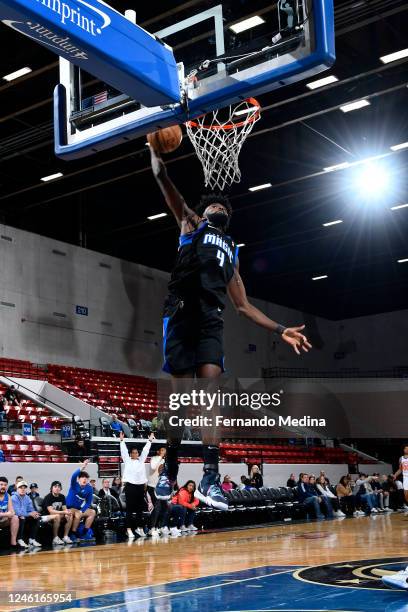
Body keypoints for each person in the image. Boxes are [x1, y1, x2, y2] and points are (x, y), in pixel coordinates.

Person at [150, 143, 312, 511]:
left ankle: (210, 475)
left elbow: (243, 305)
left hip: (210, 319)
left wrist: (280, 330)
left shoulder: (232, 251)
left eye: (224, 207)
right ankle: (169, 470)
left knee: (210, 398)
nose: (218, 208)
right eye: (214, 206)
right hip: (179, 314)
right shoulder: (191, 225)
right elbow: (163, 180)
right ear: (204, 212)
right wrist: (155, 153)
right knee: (178, 404)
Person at [120, 430, 155, 539]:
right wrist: (122, 441)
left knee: (140, 509)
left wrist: (149, 440)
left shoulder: (141, 460)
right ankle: (129, 529)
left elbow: (146, 450)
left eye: (136, 452)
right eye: (133, 453)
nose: (135, 454)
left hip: (140, 487)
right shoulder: (127, 460)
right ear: (131, 454)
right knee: (130, 510)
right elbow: (124, 451)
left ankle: (139, 528)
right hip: (130, 487)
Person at [66, 459, 96, 542]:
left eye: (86, 478)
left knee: (92, 512)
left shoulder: (89, 488)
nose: (84, 479)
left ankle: (84, 533)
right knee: (77, 514)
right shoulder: (74, 484)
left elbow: (88, 502)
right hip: (69, 508)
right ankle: (73, 534)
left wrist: (82, 511)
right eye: (82, 477)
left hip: (78, 509)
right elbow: (73, 475)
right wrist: (83, 467)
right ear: (78, 479)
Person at [11, 481, 42, 548]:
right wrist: (29, 514)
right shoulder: (13, 498)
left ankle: (32, 539)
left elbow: (31, 509)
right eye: (20, 488)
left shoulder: (27, 498)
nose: (23, 489)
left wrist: (34, 513)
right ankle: (19, 539)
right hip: (16, 517)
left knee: (36, 517)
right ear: (17, 489)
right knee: (21, 517)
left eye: (24, 488)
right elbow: (17, 512)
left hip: (25, 515)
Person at [42, 481, 74, 545]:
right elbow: (51, 511)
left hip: (58, 514)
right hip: (47, 515)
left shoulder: (62, 496)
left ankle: (65, 536)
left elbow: (64, 508)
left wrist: (67, 512)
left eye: (59, 487)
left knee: (69, 515)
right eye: (55, 487)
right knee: (57, 516)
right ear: (51, 488)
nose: (57, 488)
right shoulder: (48, 497)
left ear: (60, 489)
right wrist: (64, 512)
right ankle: (55, 538)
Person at [0, 476, 19, 549]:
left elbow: (12, 512)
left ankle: (13, 543)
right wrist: (6, 514)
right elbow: (9, 513)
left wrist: (6, 514)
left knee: (15, 518)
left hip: (3, 520)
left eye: (5, 485)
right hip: (3, 517)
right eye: (1, 485)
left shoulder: (7, 496)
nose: (3, 487)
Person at [393, 445, 408, 511]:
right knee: (406, 495)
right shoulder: (401, 458)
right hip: (405, 477)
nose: (407, 450)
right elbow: (400, 469)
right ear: (403, 450)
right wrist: (395, 475)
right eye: (405, 448)